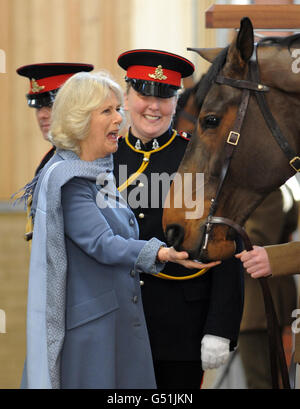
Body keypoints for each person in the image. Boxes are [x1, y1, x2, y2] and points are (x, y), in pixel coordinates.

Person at [20, 70, 218, 389]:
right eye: (107, 111)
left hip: (121, 326)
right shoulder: (68, 179)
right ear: (79, 119)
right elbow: (102, 243)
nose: (119, 119)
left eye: (117, 110)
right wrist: (162, 252)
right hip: (90, 334)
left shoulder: (96, 170)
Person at [114, 49, 244, 389]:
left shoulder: (199, 159)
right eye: (144, 94)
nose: (154, 107)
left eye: (165, 96)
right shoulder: (103, 157)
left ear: (176, 102)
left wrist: (220, 326)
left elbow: (226, 242)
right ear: (126, 97)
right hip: (114, 322)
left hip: (182, 327)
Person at [16, 62, 94, 242]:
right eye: (37, 106)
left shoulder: (96, 158)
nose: (41, 115)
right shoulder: (50, 160)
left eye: (50, 105)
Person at [238, 187, 298, 389]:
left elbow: (256, 242)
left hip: (259, 305)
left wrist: (214, 242)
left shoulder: (266, 192)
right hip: (249, 304)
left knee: (262, 381)